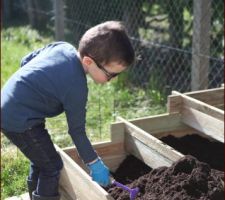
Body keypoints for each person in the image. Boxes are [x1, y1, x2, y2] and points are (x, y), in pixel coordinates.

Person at [1, 21, 135, 200]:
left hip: (10, 102)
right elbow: (77, 131)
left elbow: (26, 60)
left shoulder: (62, 47)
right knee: (52, 166)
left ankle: (35, 195)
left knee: (42, 157)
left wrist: (33, 92)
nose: (111, 80)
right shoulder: (76, 87)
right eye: (111, 74)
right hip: (20, 120)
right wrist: (94, 163)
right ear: (88, 61)